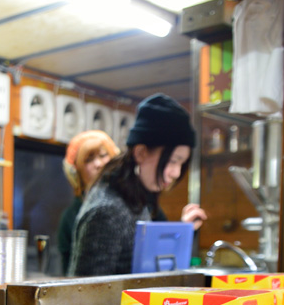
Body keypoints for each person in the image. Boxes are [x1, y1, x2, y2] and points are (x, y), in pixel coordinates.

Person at [68, 93, 208, 276]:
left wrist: (185, 231)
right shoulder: (107, 211)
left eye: (182, 163)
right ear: (141, 153)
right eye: (173, 161)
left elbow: (149, 264)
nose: (176, 173)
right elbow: (86, 294)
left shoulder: (135, 198)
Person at [56, 130, 119, 273]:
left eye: (103, 155)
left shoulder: (136, 204)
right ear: (76, 170)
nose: (98, 164)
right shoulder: (70, 218)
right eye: (89, 160)